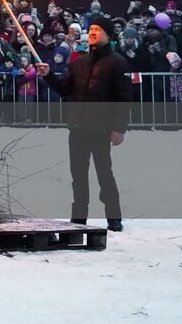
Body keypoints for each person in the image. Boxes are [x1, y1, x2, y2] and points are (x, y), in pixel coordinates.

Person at [36, 14, 132, 231]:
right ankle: (79, 218)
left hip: (101, 129)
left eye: (98, 29)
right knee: (78, 176)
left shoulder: (118, 63)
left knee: (104, 174)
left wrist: (119, 128)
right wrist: (49, 75)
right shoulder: (78, 62)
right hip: (78, 128)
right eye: (91, 29)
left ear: (108, 35)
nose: (92, 32)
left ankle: (114, 217)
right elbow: (64, 89)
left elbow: (124, 99)